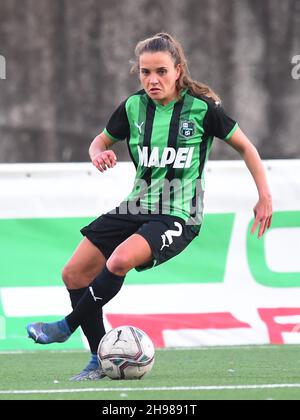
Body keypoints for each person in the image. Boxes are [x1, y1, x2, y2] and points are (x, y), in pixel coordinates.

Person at [27, 32, 273, 381]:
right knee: (73, 273)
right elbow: (99, 141)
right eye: (145, 72)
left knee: (120, 260)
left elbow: (247, 148)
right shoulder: (133, 107)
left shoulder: (202, 109)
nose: (152, 80)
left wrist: (264, 195)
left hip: (179, 214)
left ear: (178, 70)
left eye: (160, 71)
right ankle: (99, 358)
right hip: (136, 206)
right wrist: (99, 154)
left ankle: (66, 326)